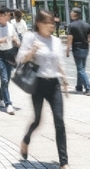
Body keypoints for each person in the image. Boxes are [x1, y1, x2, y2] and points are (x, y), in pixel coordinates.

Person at [17, 10, 69, 169]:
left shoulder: (56, 41)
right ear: (39, 23)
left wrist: (64, 80)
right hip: (38, 84)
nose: (52, 26)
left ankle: (64, 162)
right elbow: (20, 58)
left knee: (59, 121)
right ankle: (26, 140)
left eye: (53, 23)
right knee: (38, 119)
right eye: (49, 23)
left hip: (54, 84)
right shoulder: (31, 38)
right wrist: (31, 51)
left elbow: (58, 62)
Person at [0, 6, 20, 115]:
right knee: (4, 79)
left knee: (7, 79)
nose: (9, 17)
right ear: (0, 15)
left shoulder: (11, 26)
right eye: (6, 15)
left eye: (9, 15)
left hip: (10, 53)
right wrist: (1, 40)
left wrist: (17, 42)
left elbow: (15, 37)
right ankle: (8, 104)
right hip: (0, 54)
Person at [66, 7, 90, 95]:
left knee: (80, 69)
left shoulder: (71, 25)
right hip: (85, 48)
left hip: (77, 48)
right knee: (81, 68)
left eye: (72, 12)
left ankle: (88, 88)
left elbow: (70, 38)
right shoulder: (86, 24)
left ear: (75, 14)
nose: (70, 13)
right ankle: (79, 86)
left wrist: (67, 49)